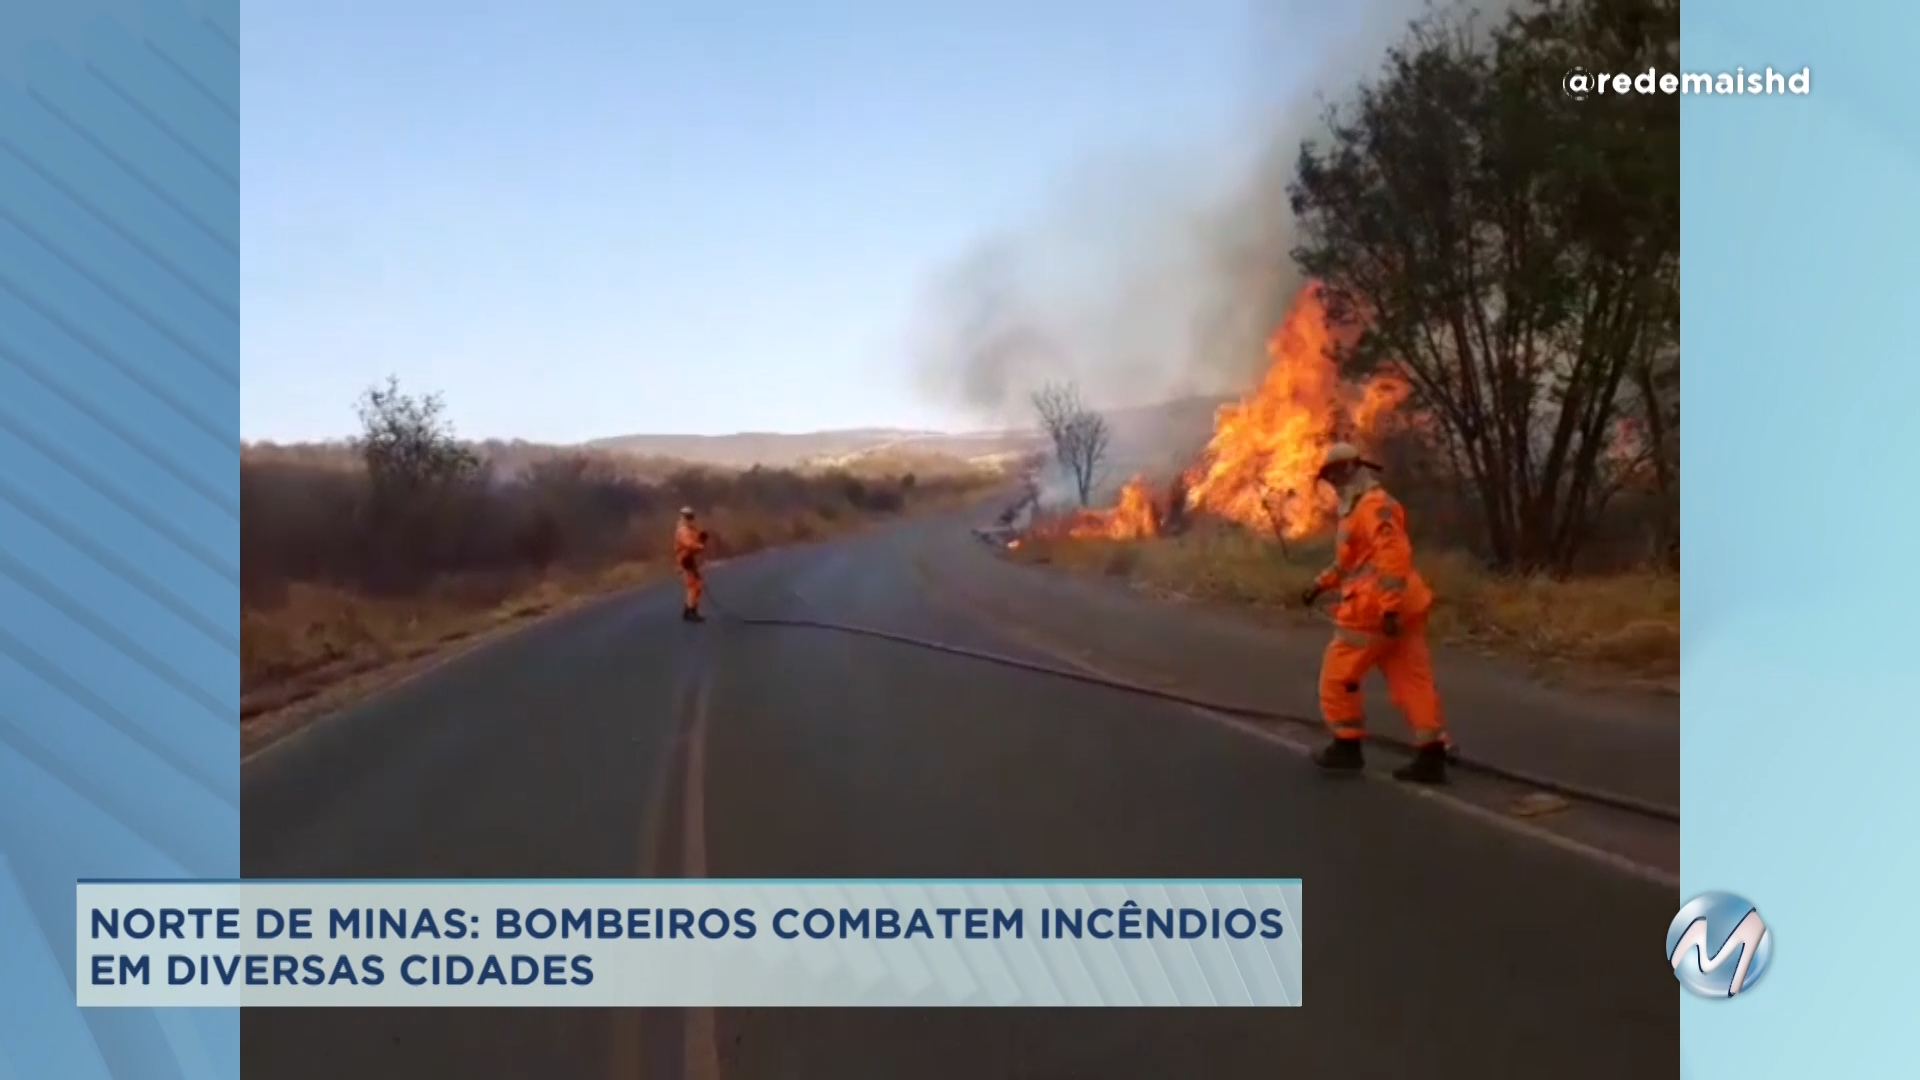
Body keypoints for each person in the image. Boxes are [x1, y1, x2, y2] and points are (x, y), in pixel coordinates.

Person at [1300, 443, 1451, 784]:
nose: (1334, 483)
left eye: (1338, 474)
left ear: (1353, 469)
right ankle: (1431, 755)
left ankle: (1346, 749)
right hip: (1398, 611)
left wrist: (1388, 607)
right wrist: (1320, 584)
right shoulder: (1356, 509)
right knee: (1413, 682)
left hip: (1375, 612)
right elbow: (1351, 563)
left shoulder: (1373, 506)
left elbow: (1392, 555)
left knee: (1337, 678)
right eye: (1329, 477)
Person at [673, 507, 708, 622]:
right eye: (687, 516)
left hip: (689, 558)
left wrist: (701, 539)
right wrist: (700, 545)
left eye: (691, 516)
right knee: (693, 585)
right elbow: (689, 544)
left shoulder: (690, 529)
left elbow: (695, 541)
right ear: (682, 517)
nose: (689, 519)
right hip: (684, 559)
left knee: (697, 585)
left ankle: (690, 609)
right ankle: (690, 611)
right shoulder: (683, 530)